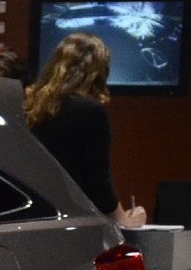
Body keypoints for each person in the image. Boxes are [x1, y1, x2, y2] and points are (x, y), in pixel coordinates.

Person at [24, 32, 145, 226]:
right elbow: (98, 186)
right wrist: (127, 221)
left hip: (31, 215)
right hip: (71, 223)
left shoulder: (29, 106)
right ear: (100, 70)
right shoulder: (90, 112)